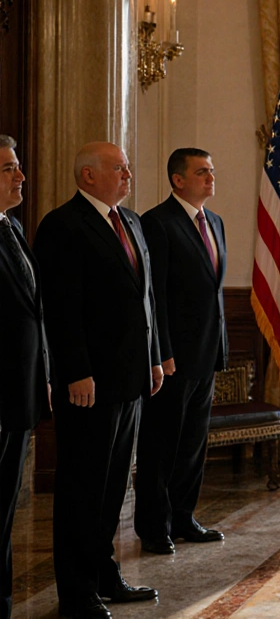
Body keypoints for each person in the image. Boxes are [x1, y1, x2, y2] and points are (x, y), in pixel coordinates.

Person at [34, 142, 162, 619]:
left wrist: (152, 359)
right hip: (88, 384)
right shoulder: (63, 226)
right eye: (118, 168)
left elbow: (144, 300)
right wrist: (76, 371)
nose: (127, 175)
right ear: (87, 176)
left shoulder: (129, 222)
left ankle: (105, 573)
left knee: (112, 488)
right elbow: (60, 309)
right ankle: (76, 590)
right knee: (81, 488)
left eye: (128, 167)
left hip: (130, 379)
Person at [134, 148, 227, 555]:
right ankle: (155, 526)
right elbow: (156, 296)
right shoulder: (158, 223)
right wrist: (163, 352)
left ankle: (184, 517)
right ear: (178, 180)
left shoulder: (216, 223)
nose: (210, 178)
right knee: (161, 445)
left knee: (193, 443)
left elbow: (212, 290)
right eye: (201, 172)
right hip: (173, 358)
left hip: (206, 353)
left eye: (211, 171)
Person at [0, 135, 47, 619]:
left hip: (18, 396)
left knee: (5, 507)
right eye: (9, 168)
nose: (21, 176)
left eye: (18, 166)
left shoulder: (12, 227)